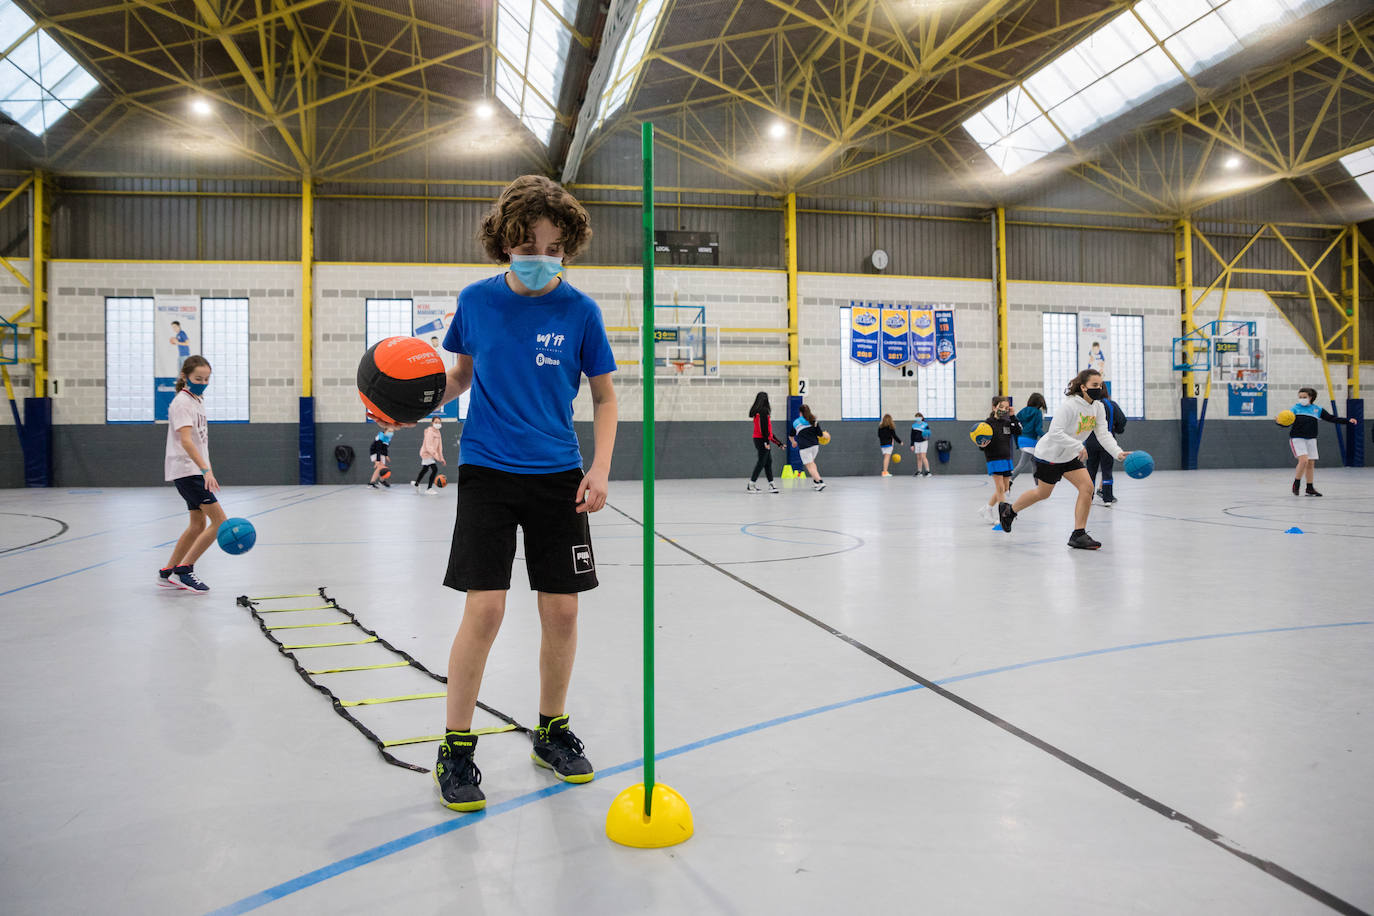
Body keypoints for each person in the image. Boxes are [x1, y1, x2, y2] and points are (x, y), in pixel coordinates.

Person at [371, 175, 618, 813]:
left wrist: (600, 467)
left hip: (558, 473)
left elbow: (605, 395)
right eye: (528, 246)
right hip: (486, 468)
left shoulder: (581, 311)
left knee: (562, 612)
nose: (540, 259)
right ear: (504, 242)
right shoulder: (475, 303)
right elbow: (459, 376)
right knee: (485, 610)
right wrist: (411, 407)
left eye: (554, 248)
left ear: (570, 245)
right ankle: (456, 747)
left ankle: (552, 731)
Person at [996, 369, 1130, 550]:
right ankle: (1008, 511)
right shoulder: (1070, 406)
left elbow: (1103, 434)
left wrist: (1118, 452)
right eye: (1094, 385)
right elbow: (1055, 432)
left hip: (1069, 456)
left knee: (1087, 487)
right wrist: (1078, 446)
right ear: (1083, 387)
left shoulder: (1098, 407)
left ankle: (1078, 534)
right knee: (1043, 493)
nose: (1099, 388)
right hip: (1049, 455)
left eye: (1101, 385)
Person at [157, 355, 227, 593]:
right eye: (198, 378)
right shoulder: (182, 403)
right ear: (185, 376)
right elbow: (186, 441)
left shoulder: (197, 400)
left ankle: (168, 572)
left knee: (197, 525)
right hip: (188, 471)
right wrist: (204, 470)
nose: (203, 382)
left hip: (194, 470)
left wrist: (207, 467)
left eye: (207, 379)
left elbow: (199, 441)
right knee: (220, 523)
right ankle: (185, 569)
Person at [1287, 387, 1358, 496]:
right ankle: (1296, 483)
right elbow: (1286, 421)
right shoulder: (1294, 409)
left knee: (1310, 463)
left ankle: (1309, 488)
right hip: (1297, 438)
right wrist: (1279, 421)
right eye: (1300, 397)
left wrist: (1347, 420)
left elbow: (1331, 418)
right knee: (1304, 460)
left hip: (1311, 439)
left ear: (1311, 397)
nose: (1302, 399)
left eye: (1304, 397)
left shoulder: (1317, 409)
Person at [977, 396, 1020, 524]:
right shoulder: (987, 423)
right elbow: (981, 442)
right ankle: (1004, 516)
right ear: (994, 407)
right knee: (1000, 488)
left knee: (1006, 489)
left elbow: (1018, 430)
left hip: (1006, 458)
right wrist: (981, 446)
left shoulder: (1007, 422)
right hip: (994, 458)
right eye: (1001, 407)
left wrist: (1012, 416)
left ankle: (987, 509)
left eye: (1006, 408)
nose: (1004, 410)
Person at [1086, 391, 1126, 505]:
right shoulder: (1111, 405)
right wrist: (1118, 429)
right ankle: (1107, 498)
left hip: (1090, 442)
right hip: (1107, 443)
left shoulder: (1090, 405)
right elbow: (1122, 420)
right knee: (1107, 470)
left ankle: (1088, 497)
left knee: (1091, 471)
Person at [747, 391, 783, 493]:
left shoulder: (756, 412)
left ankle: (771, 484)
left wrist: (778, 443)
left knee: (768, 462)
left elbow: (768, 431)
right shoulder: (764, 411)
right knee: (762, 462)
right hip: (762, 440)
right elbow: (764, 430)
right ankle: (751, 484)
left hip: (759, 439)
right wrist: (766, 442)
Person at [789, 404, 826, 491]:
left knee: (809, 466)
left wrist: (793, 442)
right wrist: (826, 436)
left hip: (805, 448)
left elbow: (791, 435)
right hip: (815, 446)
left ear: (800, 412)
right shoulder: (813, 420)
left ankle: (820, 481)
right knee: (812, 463)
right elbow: (820, 434)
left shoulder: (796, 422)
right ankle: (816, 482)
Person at [1011, 392, 1047, 479]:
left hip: (1021, 440)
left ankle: (1037, 486)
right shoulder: (1037, 413)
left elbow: (1016, 428)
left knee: (1035, 463)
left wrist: (1017, 443)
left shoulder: (1021, 412)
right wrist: (1047, 437)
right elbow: (1037, 429)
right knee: (1022, 464)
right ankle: (1009, 480)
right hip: (1030, 441)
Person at [412, 416, 447, 494]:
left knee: (425, 469)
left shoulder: (438, 432)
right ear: (432, 423)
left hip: (431, 454)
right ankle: (429, 489)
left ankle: (416, 484)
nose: (438, 424)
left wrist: (441, 458)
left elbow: (439, 447)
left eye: (439, 422)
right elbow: (428, 446)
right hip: (426, 453)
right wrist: (437, 457)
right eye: (436, 422)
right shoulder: (430, 432)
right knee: (435, 469)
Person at [909, 412, 932, 477]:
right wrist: (912, 445)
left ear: (922, 418)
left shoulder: (925, 425)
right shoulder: (914, 426)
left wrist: (926, 437)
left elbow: (928, 433)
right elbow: (912, 436)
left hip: (923, 442)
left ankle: (928, 471)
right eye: (916, 417)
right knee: (918, 457)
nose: (918, 418)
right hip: (916, 443)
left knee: (923, 456)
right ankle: (919, 471)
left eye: (919, 417)